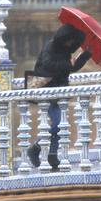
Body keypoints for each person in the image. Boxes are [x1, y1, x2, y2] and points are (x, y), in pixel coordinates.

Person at [27, 24, 91, 170]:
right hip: (47, 92)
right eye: (69, 40)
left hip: (59, 93)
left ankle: (52, 155)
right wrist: (67, 64)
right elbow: (50, 65)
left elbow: (71, 68)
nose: (70, 43)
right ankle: (35, 149)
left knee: (60, 126)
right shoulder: (50, 48)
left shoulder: (65, 52)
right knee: (57, 124)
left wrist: (85, 56)